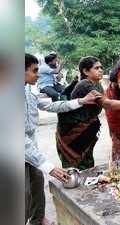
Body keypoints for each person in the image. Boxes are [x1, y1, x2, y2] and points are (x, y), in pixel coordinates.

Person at [25, 53, 97, 225]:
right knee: (23, 196)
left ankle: (38, 220)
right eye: (35, 71)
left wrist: (80, 101)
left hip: (30, 149)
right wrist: (48, 167)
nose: (39, 75)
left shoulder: (28, 91)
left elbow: (51, 106)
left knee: (36, 186)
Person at [56, 56, 120, 170]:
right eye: (96, 68)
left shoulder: (97, 85)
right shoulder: (85, 85)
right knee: (77, 168)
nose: (100, 70)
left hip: (85, 133)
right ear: (85, 71)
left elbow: (109, 104)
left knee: (87, 164)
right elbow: (108, 104)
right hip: (74, 134)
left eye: (101, 67)